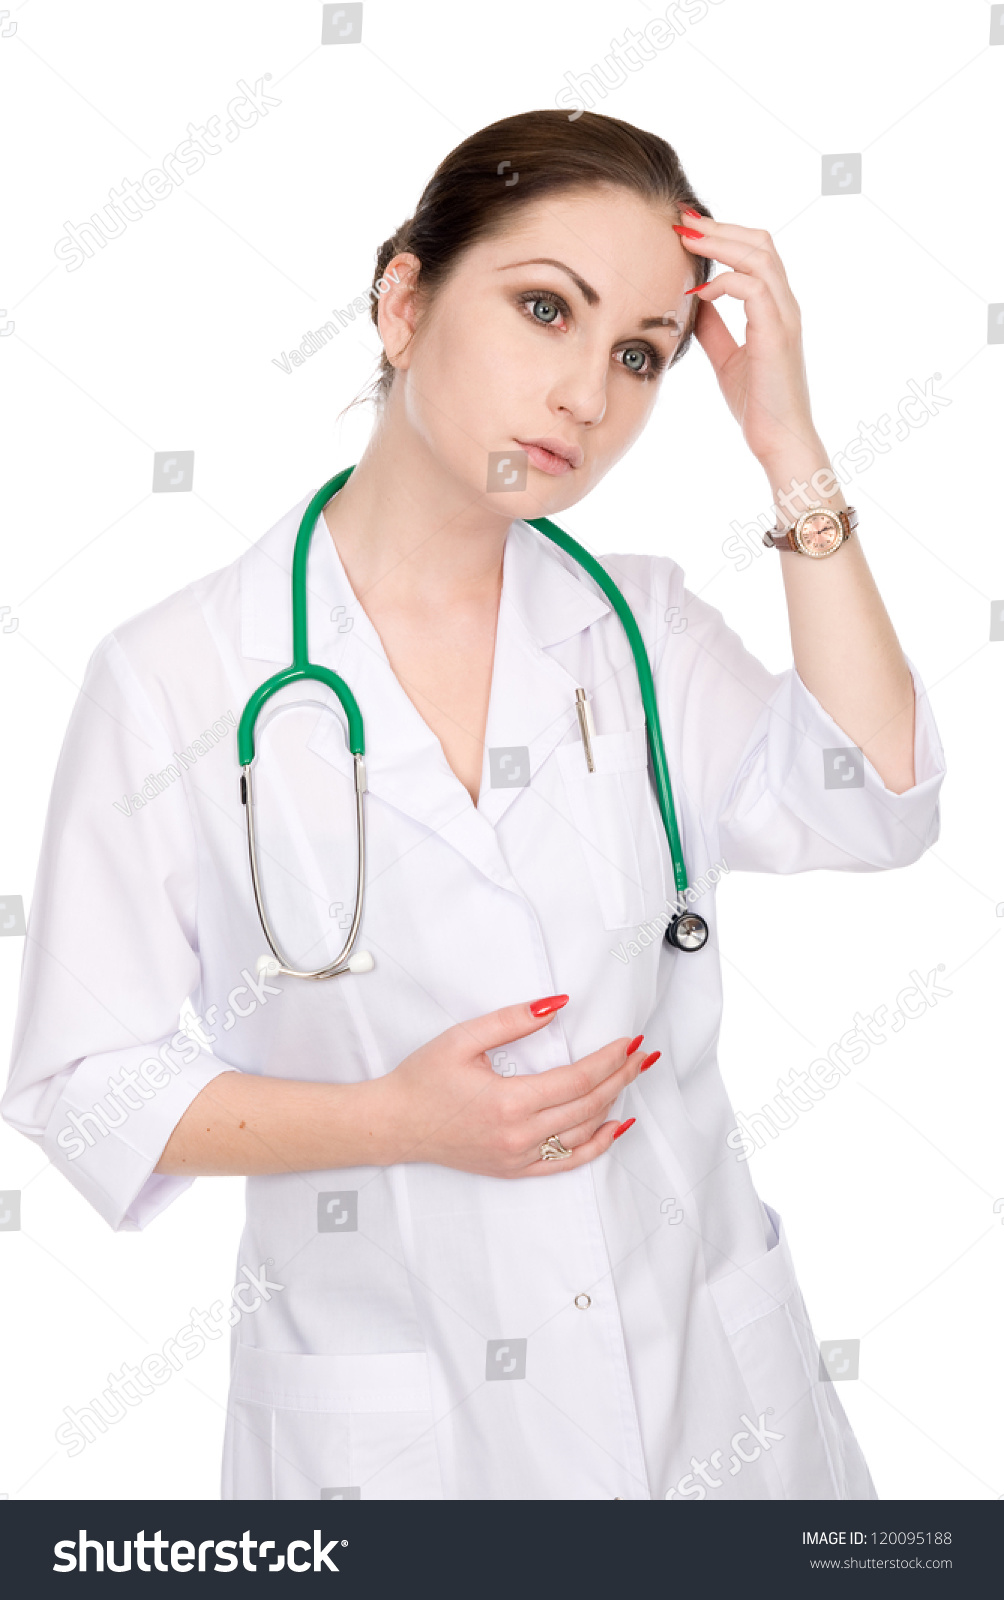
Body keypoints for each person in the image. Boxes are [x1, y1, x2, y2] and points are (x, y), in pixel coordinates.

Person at [2, 108, 946, 1500]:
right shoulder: (177, 677)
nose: (587, 395)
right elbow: (79, 1085)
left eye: (641, 354)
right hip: (396, 1446)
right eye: (544, 310)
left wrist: (786, 442)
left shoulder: (644, 633)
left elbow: (878, 804)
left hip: (712, 1418)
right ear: (402, 298)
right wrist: (394, 1121)